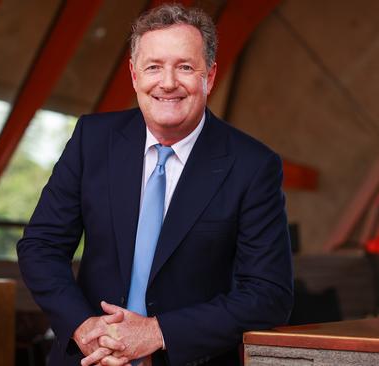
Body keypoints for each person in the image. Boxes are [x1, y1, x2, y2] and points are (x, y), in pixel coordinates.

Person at [17, 4, 293, 366]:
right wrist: (85, 328)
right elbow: (41, 246)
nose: (167, 83)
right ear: (134, 75)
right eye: (153, 67)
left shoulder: (253, 166)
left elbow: (269, 294)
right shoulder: (92, 140)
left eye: (185, 67)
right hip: (89, 359)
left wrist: (157, 332)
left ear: (209, 76)